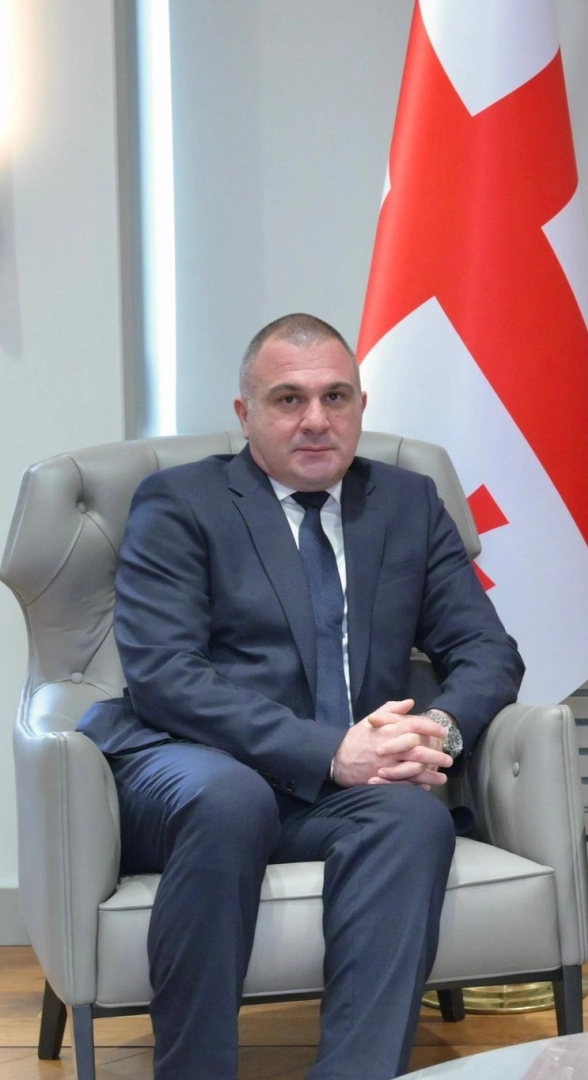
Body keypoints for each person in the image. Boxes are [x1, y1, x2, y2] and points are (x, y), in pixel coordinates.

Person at [78, 314, 524, 1080]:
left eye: (335, 397)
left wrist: (435, 734)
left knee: (413, 817)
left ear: (359, 406)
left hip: (336, 789)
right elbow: (165, 675)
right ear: (245, 413)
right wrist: (333, 751)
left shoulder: (407, 503)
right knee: (232, 800)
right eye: (289, 399)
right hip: (190, 768)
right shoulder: (180, 501)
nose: (316, 420)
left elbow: (487, 651)